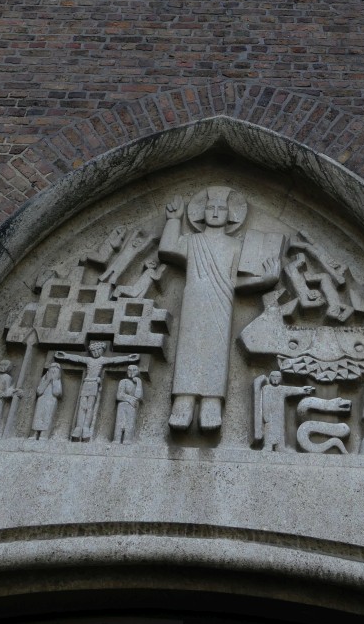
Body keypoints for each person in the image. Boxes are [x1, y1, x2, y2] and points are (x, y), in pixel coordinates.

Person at [160, 186, 282, 432]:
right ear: (202, 213)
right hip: (194, 301)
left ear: (230, 216)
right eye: (210, 208)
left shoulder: (235, 246)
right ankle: (183, 402)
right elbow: (168, 248)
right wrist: (173, 220)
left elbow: (236, 282)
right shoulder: (192, 241)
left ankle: (212, 404)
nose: (215, 212)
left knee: (216, 351)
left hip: (221, 302)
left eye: (221, 209)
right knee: (189, 347)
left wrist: (265, 280)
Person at [54, 342, 139, 441]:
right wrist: (65, 356)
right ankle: (78, 427)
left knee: (90, 406)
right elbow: (77, 358)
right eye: (93, 351)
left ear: (101, 351)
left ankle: (86, 427)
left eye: (98, 350)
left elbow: (114, 360)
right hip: (86, 383)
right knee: (82, 406)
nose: (95, 353)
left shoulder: (102, 360)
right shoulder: (89, 360)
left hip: (94, 384)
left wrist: (128, 358)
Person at [30, 362, 63, 440]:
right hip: (41, 399)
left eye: (56, 368)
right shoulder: (44, 379)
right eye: (52, 368)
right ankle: (34, 433)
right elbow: (39, 391)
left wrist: (54, 380)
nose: (53, 370)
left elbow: (57, 393)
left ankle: (44, 435)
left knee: (47, 416)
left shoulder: (57, 380)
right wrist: (48, 379)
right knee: (38, 416)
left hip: (51, 401)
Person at [114, 364, 143, 443]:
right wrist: (130, 399)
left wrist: (139, 382)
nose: (132, 372)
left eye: (134, 370)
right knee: (120, 423)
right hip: (122, 405)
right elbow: (119, 395)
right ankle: (116, 440)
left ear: (138, 372)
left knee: (130, 424)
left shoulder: (137, 384)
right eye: (129, 370)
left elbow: (138, 396)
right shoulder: (123, 381)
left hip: (132, 406)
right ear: (127, 371)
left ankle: (127, 440)